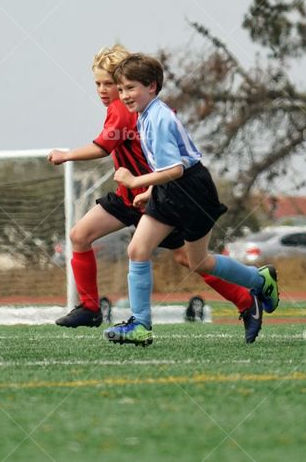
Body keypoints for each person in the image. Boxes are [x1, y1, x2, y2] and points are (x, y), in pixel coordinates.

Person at [48, 46, 263, 343]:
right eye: (100, 84)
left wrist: (67, 155)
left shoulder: (128, 113)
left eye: (110, 84)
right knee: (81, 236)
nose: (105, 90)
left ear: (140, 85)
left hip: (159, 193)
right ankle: (93, 309)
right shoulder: (132, 108)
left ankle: (247, 296)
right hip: (132, 196)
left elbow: (104, 147)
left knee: (190, 259)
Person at [102, 53, 279, 346]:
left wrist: (136, 182)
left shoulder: (157, 118)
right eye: (121, 90)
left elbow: (176, 169)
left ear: (152, 86)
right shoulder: (145, 115)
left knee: (199, 261)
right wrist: (150, 191)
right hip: (171, 190)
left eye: (131, 88)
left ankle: (260, 282)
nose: (125, 95)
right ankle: (141, 325)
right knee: (137, 249)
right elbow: (168, 166)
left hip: (193, 191)